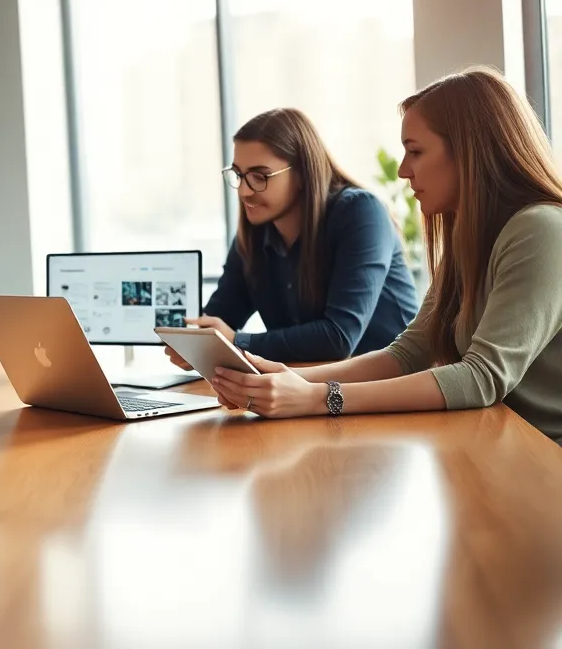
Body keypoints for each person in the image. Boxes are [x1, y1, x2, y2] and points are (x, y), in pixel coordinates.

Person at [208, 67, 562, 445]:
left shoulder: (541, 230)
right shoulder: (470, 237)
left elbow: (481, 377)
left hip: (542, 456)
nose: (403, 169)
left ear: (470, 150)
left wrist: (318, 397)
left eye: (415, 151)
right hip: (497, 441)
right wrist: (285, 379)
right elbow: (408, 354)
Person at [166, 107, 418, 367]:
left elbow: (338, 338)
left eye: (259, 177)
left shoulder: (360, 212)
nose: (243, 191)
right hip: (312, 388)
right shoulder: (254, 233)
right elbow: (220, 322)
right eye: (239, 175)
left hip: (396, 388)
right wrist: (195, 342)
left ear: (302, 173)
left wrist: (238, 342)